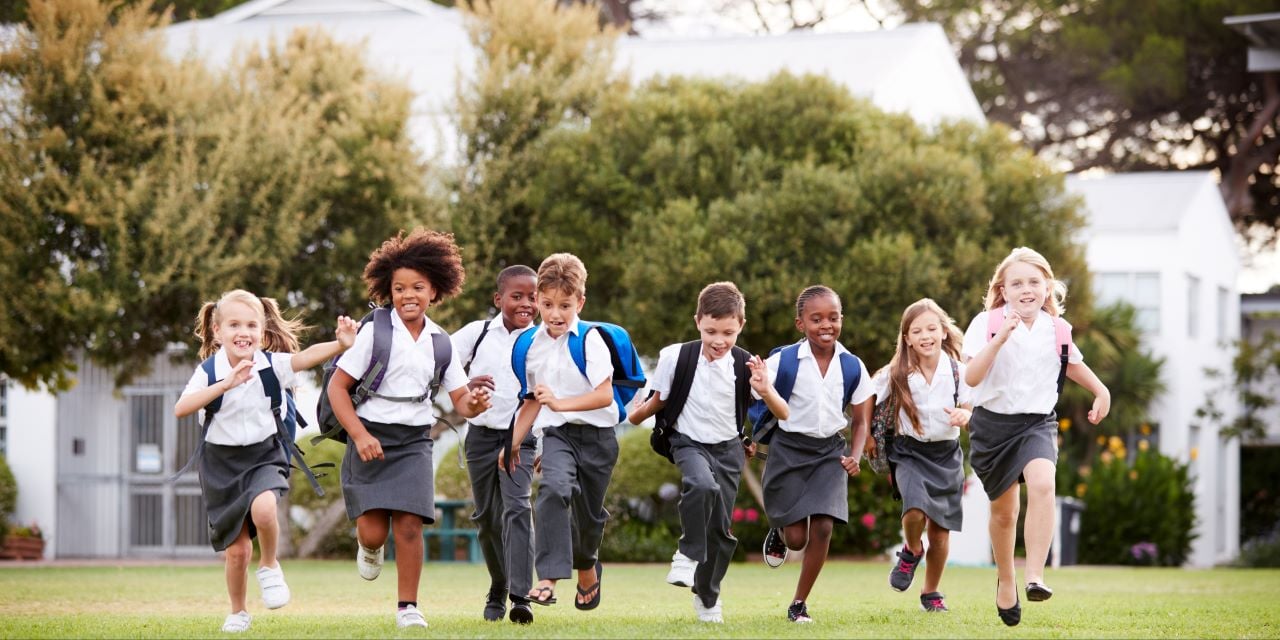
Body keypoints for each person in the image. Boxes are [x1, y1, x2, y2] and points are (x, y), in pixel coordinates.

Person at [326, 228, 493, 629]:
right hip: (370, 435)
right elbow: (337, 387)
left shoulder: (442, 342)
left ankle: (408, 607)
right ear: (389, 291)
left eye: (418, 287)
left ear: (435, 291)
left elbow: (460, 402)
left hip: (414, 440)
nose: (408, 295)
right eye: (399, 288)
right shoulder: (375, 331)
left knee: (410, 524)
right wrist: (361, 436)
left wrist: (476, 402)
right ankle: (369, 549)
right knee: (372, 531)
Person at [174, 290, 356, 633]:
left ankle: (270, 564)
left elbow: (305, 358)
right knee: (238, 550)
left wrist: (340, 345)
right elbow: (181, 407)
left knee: (264, 510)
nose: (243, 332)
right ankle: (238, 611)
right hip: (220, 463)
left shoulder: (272, 365)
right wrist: (226, 384)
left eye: (251, 325)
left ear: (262, 330)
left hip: (264, 453)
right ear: (217, 331)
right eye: (234, 325)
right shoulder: (209, 371)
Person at [962, 247, 1110, 627]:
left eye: (1034, 282)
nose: (1026, 289)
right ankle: (1007, 579)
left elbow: (1072, 363)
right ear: (1004, 289)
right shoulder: (986, 323)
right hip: (993, 427)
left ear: (1047, 287)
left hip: (1037, 423)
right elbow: (972, 377)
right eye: (1017, 283)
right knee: (1004, 513)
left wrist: (1102, 392)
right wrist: (1000, 338)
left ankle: (1035, 576)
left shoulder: (1057, 329)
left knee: (1043, 484)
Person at [628, 282, 787, 623]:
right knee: (701, 485)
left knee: (721, 531)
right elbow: (659, 402)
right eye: (710, 330)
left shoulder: (748, 366)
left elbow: (782, 412)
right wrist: (635, 413)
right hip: (687, 442)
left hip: (729, 449)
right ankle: (686, 553)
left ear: (740, 326)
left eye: (728, 332)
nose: (719, 340)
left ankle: (707, 594)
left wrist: (764, 387)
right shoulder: (676, 357)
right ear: (697, 321)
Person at [501, 253, 615, 611]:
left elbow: (604, 394)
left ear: (579, 302)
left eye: (565, 305)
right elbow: (533, 401)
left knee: (589, 518)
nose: (555, 314)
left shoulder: (591, 340)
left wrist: (560, 402)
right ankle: (547, 579)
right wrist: (513, 443)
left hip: (598, 438)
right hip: (558, 436)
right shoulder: (530, 345)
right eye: (547, 304)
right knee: (552, 489)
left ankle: (586, 567)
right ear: (537, 301)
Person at [758, 285, 874, 623]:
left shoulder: (852, 365)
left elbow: (861, 421)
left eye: (833, 318)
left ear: (842, 320)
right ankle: (779, 531)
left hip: (829, 453)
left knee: (824, 526)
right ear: (800, 324)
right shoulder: (783, 361)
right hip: (789, 449)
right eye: (816, 319)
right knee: (796, 540)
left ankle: (798, 603)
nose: (826, 325)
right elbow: (756, 396)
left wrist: (855, 455)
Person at [868, 298, 972, 612]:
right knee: (914, 512)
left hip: (946, 455)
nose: (925, 335)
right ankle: (912, 550)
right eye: (917, 330)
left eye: (931, 328)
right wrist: (868, 438)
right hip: (909, 452)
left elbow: (970, 406)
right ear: (907, 338)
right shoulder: (894, 373)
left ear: (943, 331)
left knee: (940, 533)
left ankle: (931, 592)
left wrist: (964, 416)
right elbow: (866, 400)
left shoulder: (959, 372)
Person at [450, 265, 539, 624]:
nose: (526, 304)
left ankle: (521, 596)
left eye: (532, 297)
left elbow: (545, 395)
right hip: (481, 438)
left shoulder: (543, 339)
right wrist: (466, 383)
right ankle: (498, 586)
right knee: (487, 520)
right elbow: (443, 363)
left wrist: (542, 442)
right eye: (517, 296)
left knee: (518, 509)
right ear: (498, 298)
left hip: (522, 437)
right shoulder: (478, 332)